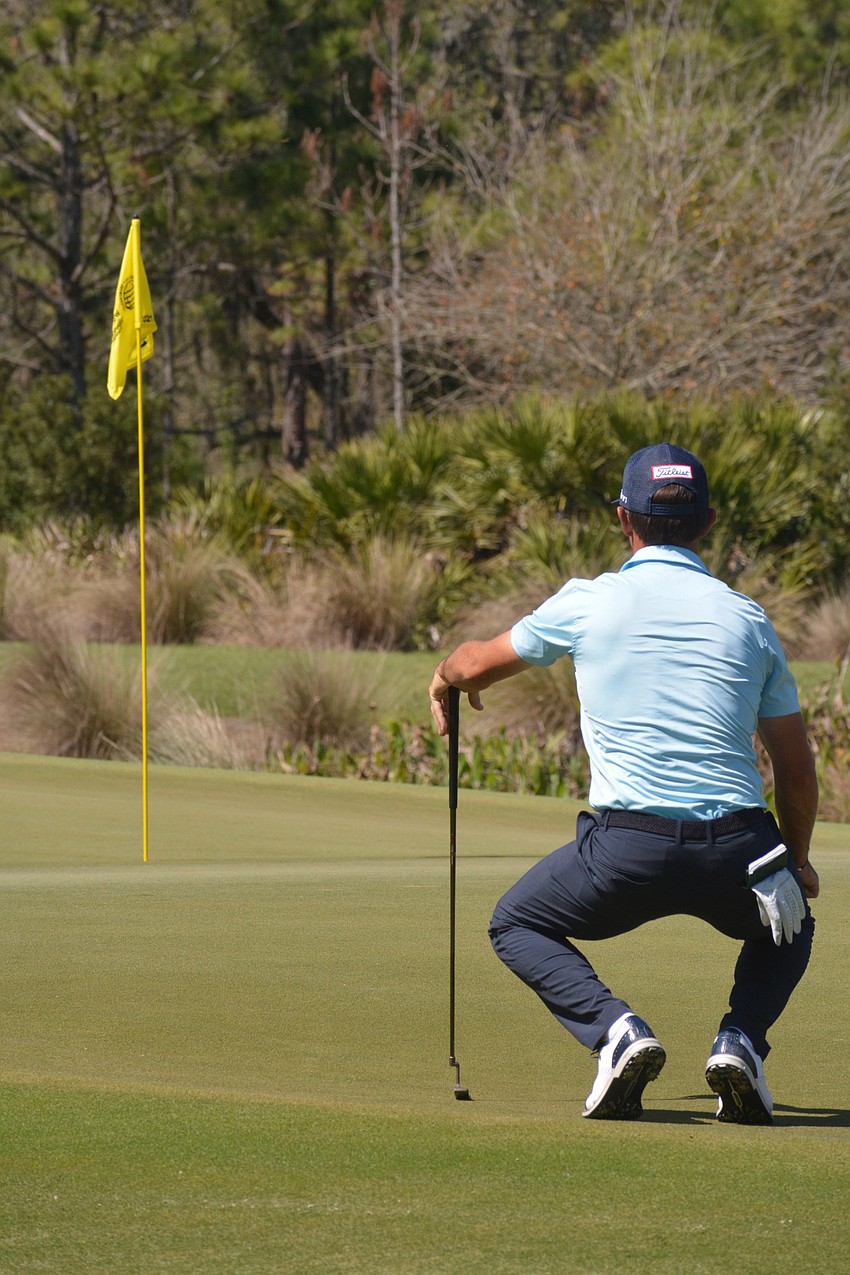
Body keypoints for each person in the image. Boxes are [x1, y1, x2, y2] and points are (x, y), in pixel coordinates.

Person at [428, 442, 819, 1125]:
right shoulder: (748, 618)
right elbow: (795, 765)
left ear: (623, 519)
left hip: (625, 852)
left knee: (516, 920)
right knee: (791, 923)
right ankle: (740, 1043)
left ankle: (617, 1033)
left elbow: (475, 664)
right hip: (738, 850)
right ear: (708, 521)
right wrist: (798, 857)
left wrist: (445, 675)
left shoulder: (588, 601)